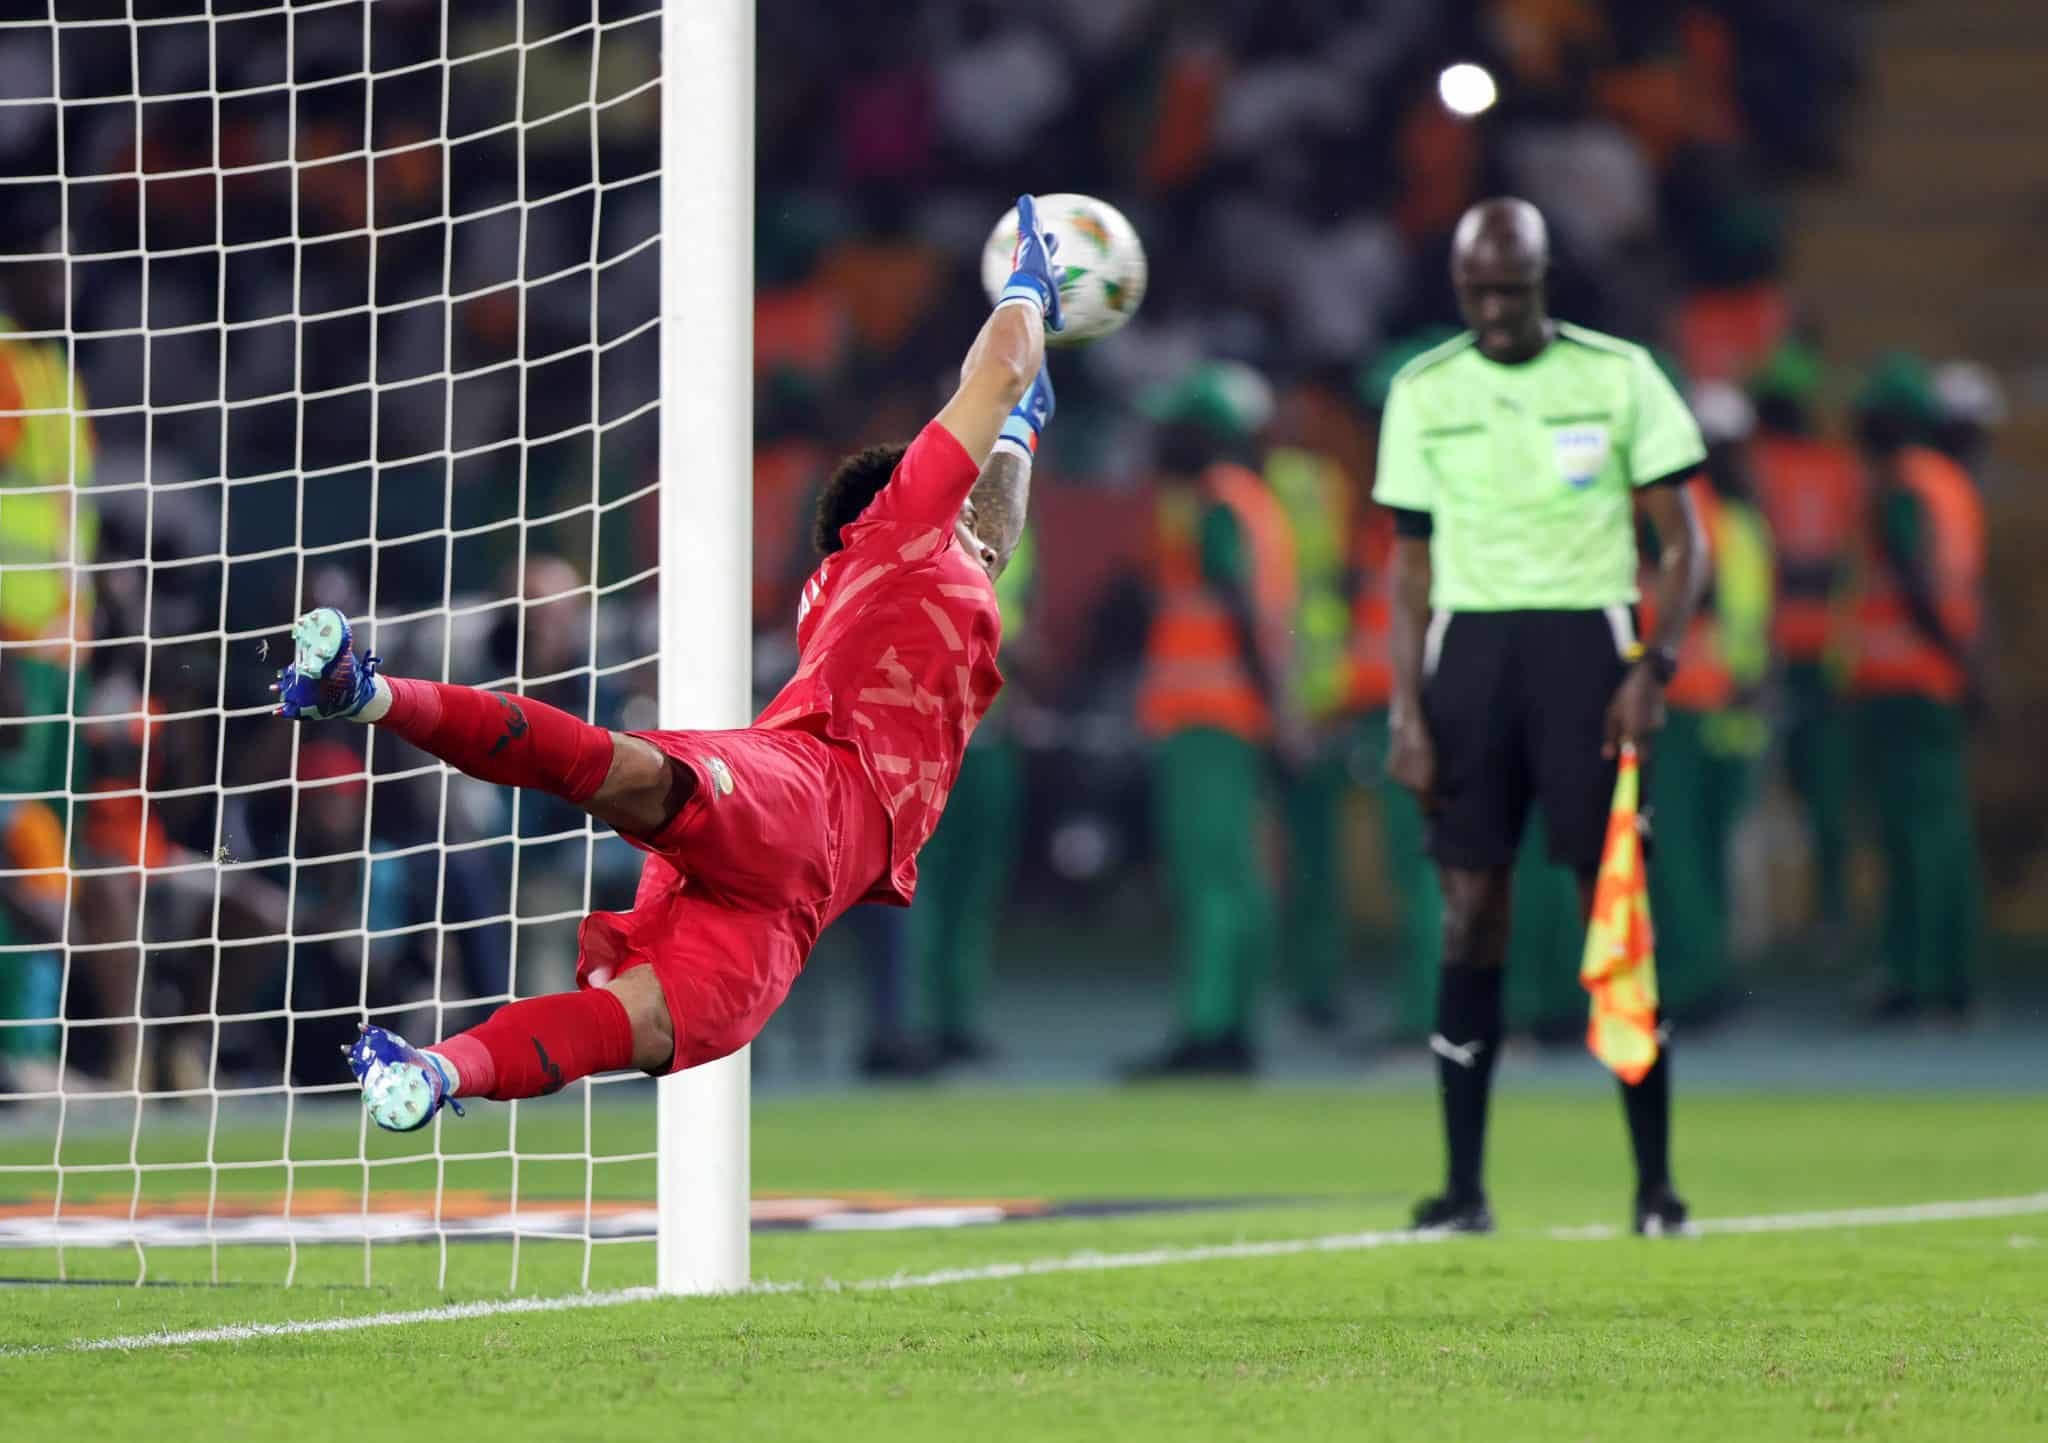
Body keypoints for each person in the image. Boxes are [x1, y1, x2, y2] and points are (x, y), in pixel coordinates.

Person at [282, 194, 1065, 1131]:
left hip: (796, 908)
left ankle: (436, 1072)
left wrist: (1021, 428)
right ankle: (366, 692)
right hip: (804, 791)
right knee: (620, 773)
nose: (975, 519)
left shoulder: (937, 572)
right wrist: (1029, 286)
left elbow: (994, 523)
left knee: (639, 1023)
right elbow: (1001, 363)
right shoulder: (897, 530)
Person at [1374, 198, 1708, 1236]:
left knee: (1611, 915)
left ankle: (1653, 1187)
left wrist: (1652, 666)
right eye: (1474, 290)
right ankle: (1461, 1188)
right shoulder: (1423, 391)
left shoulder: (1617, 377)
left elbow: (1682, 544)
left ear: (1542, 278)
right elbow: (1408, 569)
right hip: (1468, 658)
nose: (1491, 308)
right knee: (1469, 916)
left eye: (1508, 289)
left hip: (1586, 652)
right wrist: (1404, 712)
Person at [1124, 361, 1298, 1078]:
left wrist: (1271, 707)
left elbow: (1236, 610)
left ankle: (1208, 1028)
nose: (1163, 440)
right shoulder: (1254, 502)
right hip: (1235, 716)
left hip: (1207, 716)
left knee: (1209, 881)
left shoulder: (1217, 505)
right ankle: (1232, 1025)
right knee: (1239, 877)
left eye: (1177, 428)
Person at [1846, 355, 1984, 1022]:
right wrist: (1967, 667)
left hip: (1904, 682)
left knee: (1910, 840)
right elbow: (1965, 589)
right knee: (1943, 834)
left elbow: (1913, 581)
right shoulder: (1951, 484)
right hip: (1938, 683)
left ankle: (1915, 977)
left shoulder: (1902, 484)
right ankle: (1950, 975)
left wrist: (1952, 657)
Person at [1640, 382, 1774, 1024]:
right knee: (1704, 847)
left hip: (1694, 697)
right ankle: (1710, 976)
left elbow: (1704, 592)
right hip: (1725, 698)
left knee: (1684, 847)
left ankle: (1694, 981)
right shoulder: (1738, 514)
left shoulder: (1695, 506)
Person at [1747, 341, 1862, 949]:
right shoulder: (1839, 467)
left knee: (1755, 792)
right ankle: (1831, 913)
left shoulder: (1759, 465)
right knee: (1825, 791)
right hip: (1831, 650)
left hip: (1767, 650)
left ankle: (1753, 926)